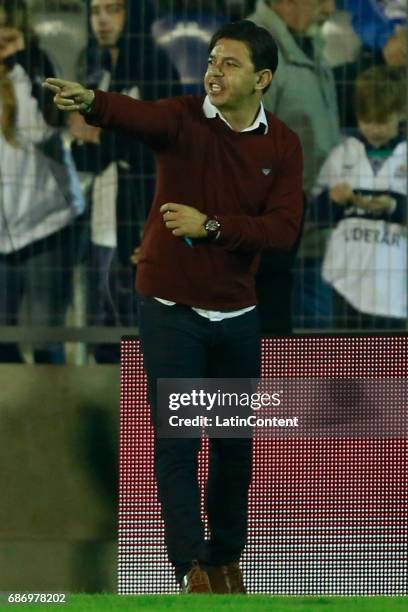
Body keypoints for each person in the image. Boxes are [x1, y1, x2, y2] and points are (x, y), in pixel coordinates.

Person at [44, 19, 303, 593]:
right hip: (169, 309)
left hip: (237, 314)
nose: (214, 70)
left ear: (261, 79)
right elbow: (137, 115)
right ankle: (191, 567)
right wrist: (92, 101)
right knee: (179, 442)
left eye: (229, 64)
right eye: (212, 60)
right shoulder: (185, 118)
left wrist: (210, 227)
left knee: (234, 449)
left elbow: (283, 230)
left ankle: (227, 560)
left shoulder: (282, 143)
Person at [69, 0, 179, 363]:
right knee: (109, 331)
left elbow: (163, 141)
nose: (101, 19)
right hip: (105, 218)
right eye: (96, 10)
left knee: (139, 337)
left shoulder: (153, 65)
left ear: (133, 14)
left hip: (141, 220)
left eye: (113, 9)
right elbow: (87, 145)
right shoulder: (98, 68)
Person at [0, 0, 84, 363]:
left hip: (45, 226)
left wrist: (19, 66)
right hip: (2, 235)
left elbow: (40, 132)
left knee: (47, 340)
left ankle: (57, 419)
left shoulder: (36, 64)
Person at [248, 0, 339, 330]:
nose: (329, 8)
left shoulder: (310, 47)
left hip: (316, 234)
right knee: (279, 350)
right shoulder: (251, 49)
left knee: (310, 352)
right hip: (274, 243)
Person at [313, 65, 406, 329]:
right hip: (346, 284)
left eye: (383, 121)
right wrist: (333, 200)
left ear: (400, 114)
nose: (374, 129)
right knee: (348, 366)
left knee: (390, 366)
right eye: (367, 121)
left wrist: (395, 206)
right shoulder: (342, 155)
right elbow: (316, 215)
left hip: (394, 290)